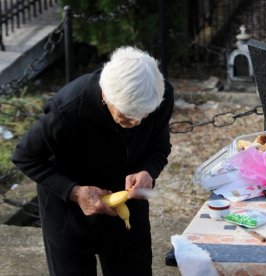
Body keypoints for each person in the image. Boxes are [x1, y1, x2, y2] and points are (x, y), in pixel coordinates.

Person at [12, 46, 174, 276]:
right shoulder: (67, 110)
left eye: (144, 115)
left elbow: (159, 147)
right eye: (126, 117)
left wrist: (148, 170)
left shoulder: (158, 96)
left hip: (125, 209)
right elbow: (25, 156)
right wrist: (75, 192)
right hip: (68, 214)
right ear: (105, 95)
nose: (136, 123)